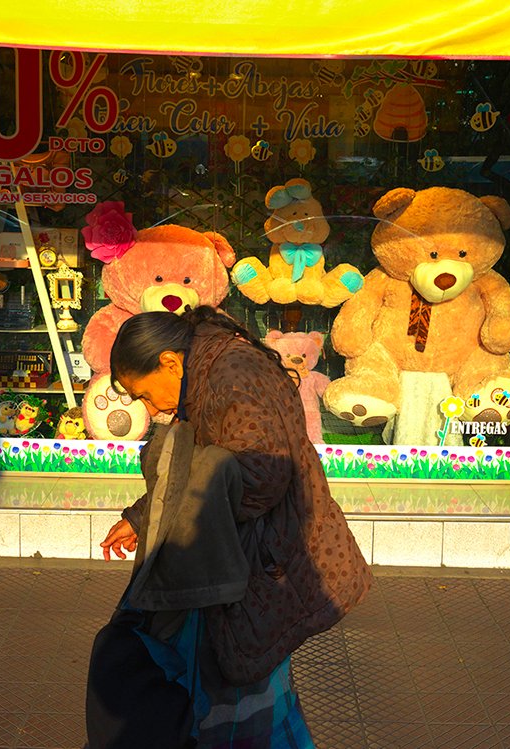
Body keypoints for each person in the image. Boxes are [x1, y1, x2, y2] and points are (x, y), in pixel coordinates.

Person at [89, 305, 373, 749]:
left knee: (240, 699)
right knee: (250, 694)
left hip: (264, 562)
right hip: (252, 562)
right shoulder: (206, 371)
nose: (150, 407)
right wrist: (142, 516)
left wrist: (180, 519)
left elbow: (261, 476)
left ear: (169, 362)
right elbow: (195, 468)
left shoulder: (232, 373)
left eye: (145, 394)